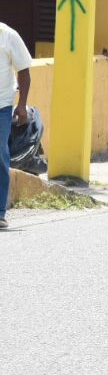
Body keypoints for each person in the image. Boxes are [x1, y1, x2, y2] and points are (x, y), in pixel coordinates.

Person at [0, 19, 33, 231]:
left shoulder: (8, 35)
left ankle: (0, 211)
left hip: (2, 106)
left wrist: (21, 105)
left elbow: (24, 71)